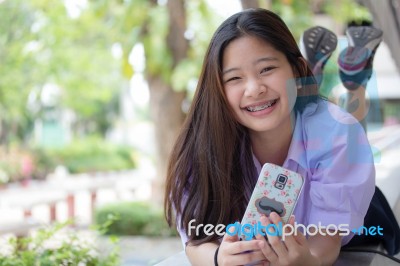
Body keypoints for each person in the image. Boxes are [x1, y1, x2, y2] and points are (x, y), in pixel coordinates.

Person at [164, 8, 375, 266]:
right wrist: (219, 258)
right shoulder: (201, 146)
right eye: (234, 78)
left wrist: (307, 261)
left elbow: (325, 242)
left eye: (266, 69)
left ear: (296, 70)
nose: (254, 89)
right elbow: (195, 243)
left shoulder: (336, 132)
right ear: (218, 89)